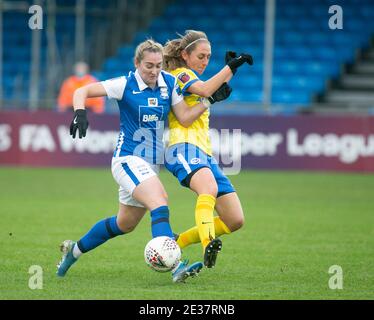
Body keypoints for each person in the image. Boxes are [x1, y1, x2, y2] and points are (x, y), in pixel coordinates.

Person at [56, 39, 231, 283]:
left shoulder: (168, 83)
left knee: (124, 223)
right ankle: (176, 266)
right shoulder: (124, 84)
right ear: (137, 63)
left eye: (159, 65)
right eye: (149, 65)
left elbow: (185, 118)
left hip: (149, 165)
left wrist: (207, 101)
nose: (154, 71)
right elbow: (81, 91)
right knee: (159, 201)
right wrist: (79, 112)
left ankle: (73, 251)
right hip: (127, 159)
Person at [163, 30, 253, 268]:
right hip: (182, 147)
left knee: (234, 219)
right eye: (201, 56)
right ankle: (208, 243)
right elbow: (204, 91)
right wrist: (230, 67)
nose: (205, 61)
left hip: (204, 153)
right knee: (209, 188)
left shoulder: (194, 77)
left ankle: (177, 242)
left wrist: (230, 71)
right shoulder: (179, 74)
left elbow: (209, 92)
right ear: (185, 54)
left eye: (208, 57)